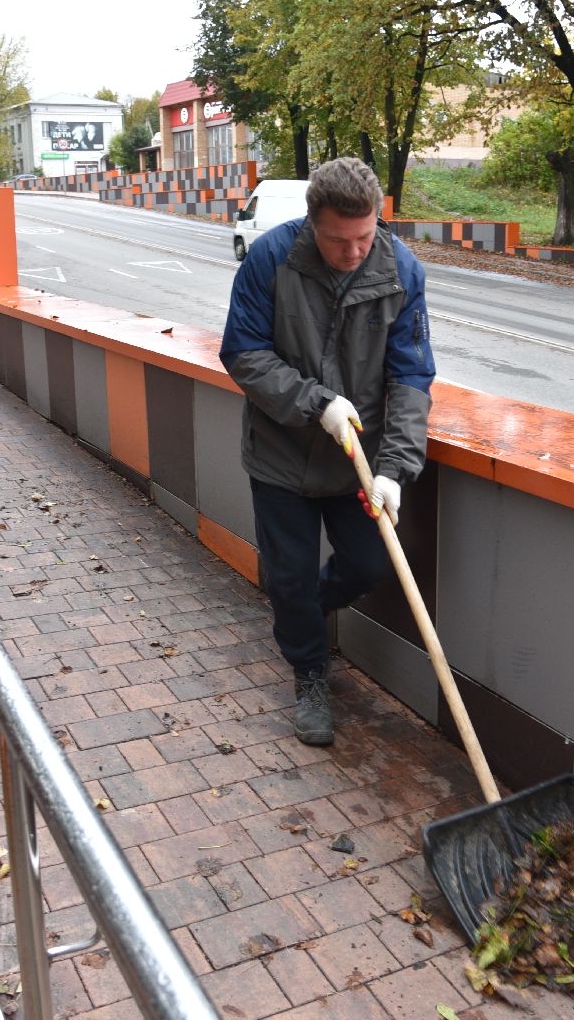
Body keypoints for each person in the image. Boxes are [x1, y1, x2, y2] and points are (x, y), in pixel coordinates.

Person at [220, 158, 434, 746]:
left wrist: (393, 470)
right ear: (313, 222)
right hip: (281, 453)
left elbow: (412, 378)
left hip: (355, 461)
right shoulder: (272, 259)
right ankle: (310, 672)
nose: (353, 251)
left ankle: (302, 619)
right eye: (339, 239)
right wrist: (316, 403)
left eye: (365, 236)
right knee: (286, 578)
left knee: (369, 563)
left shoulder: (401, 270)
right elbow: (242, 353)